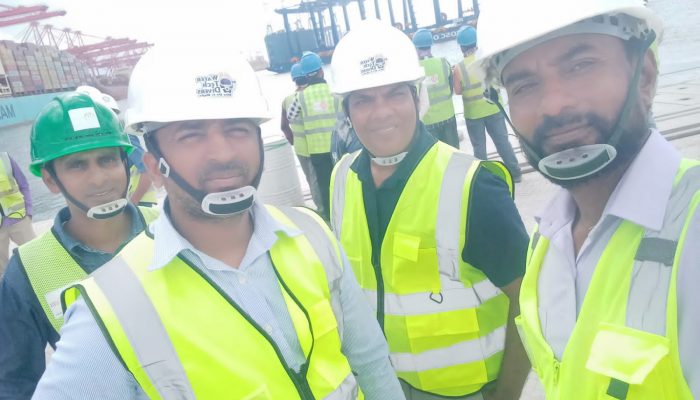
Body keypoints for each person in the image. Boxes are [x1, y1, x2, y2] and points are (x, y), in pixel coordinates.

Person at [33, 45, 404, 399]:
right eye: (191, 134)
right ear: (153, 166)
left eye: (237, 129)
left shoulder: (311, 234)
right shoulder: (112, 306)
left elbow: (370, 360)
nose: (223, 153)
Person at [471, 0, 699, 398]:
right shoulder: (546, 240)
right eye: (524, 86)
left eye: (581, 65)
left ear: (644, 76)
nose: (554, 104)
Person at [329, 20, 531, 400]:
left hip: (463, 391)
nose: (381, 113)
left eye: (394, 94)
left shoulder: (472, 186)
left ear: (416, 98)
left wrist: (506, 394)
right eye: (363, 100)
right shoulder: (342, 178)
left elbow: (528, 298)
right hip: (376, 384)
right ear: (347, 111)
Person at [0, 92, 158, 399]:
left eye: (107, 159)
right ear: (50, 180)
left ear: (125, 162)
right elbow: (15, 383)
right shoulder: (28, 271)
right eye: (77, 165)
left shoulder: (169, 229)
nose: (99, 179)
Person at [453, 26, 522, 182]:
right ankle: (516, 173)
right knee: (502, 142)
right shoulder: (488, 60)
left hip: (473, 114)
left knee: (479, 148)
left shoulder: (459, 67)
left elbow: (457, 91)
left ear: (461, 46)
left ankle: (482, 179)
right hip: (493, 108)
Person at [76, 85, 159, 207]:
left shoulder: (123, 136)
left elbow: (146, 170)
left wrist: (132, 203)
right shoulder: (97, 142)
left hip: (142, 206)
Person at [287, 52, 337, 220]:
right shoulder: (334, 90)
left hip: (316, 149)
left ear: (306, 75)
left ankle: (329, 215)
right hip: (337, 146)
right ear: (321, 71)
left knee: (324, 183)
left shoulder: (301, 96)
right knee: (342, 179)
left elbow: (291, 116)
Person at [281, 62, 323, 212]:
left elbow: (284, 126)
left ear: (294, 79)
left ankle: (320, 208)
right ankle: (324, 209)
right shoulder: (312, 96)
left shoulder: (287, 100)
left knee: (311, 181)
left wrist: (293, 141)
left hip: (300, 148)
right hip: (318, 145)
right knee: (322, 180)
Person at [412, 28, 460, 149]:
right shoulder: (443, 63)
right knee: (455, 154)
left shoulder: (414, 69)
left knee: (434, 156)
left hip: (428, 122)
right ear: (431, 45)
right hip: (448, 116)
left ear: (416, 48)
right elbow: (451, 88)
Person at [0, 152, 35, 274]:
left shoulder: (5, 159)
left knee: (36, 257)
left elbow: (23, 185)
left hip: (19, 218)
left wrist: (28, 212)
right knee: (1, 271)